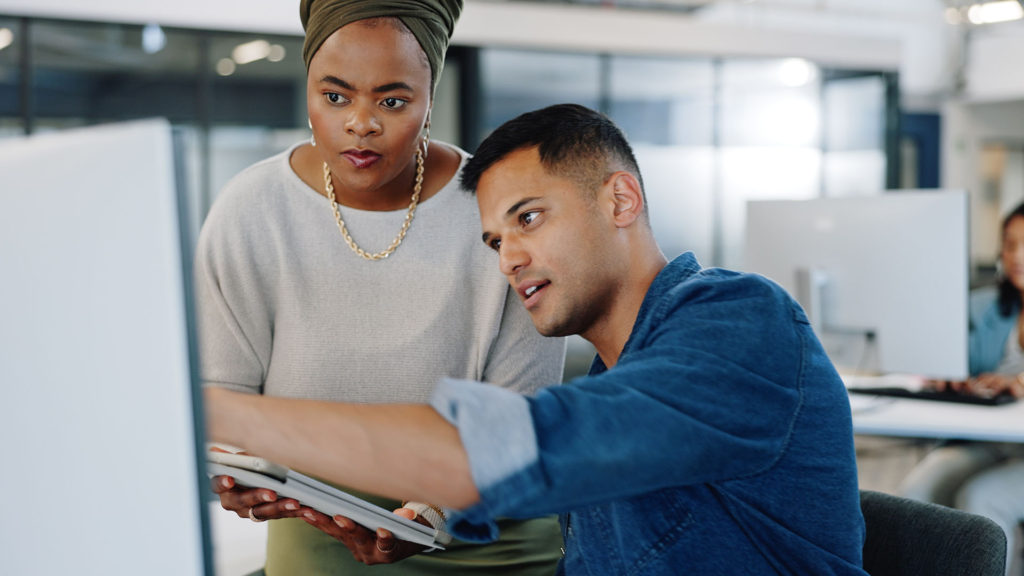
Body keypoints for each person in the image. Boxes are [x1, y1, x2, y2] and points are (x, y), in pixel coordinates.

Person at [204, 103, 870, 575]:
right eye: (496, 240)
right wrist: (421, 526)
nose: (508, 259)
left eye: (529, 219)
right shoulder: (617, 375)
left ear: (621, 201)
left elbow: (505, 450)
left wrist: (214, 411)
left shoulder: (740, 322)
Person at [195, 0, 566, 573]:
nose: (360, 124)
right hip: (317, 527)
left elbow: (522, 414)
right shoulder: (251, 210)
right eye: (335, 96)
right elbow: (221, 398)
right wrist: (235, 471)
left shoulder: (494, 210)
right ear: (309, 90)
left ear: (430, 101)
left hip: (490, 533)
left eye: (392, 101)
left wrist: (432, 512)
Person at [900, 201, 1024, 576]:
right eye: (1009, 243)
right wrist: (947, 372)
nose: (1017, 255)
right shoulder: (985, 306)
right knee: (916, 491)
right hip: (988, 440)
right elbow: (950, 358)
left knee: (982, 498)